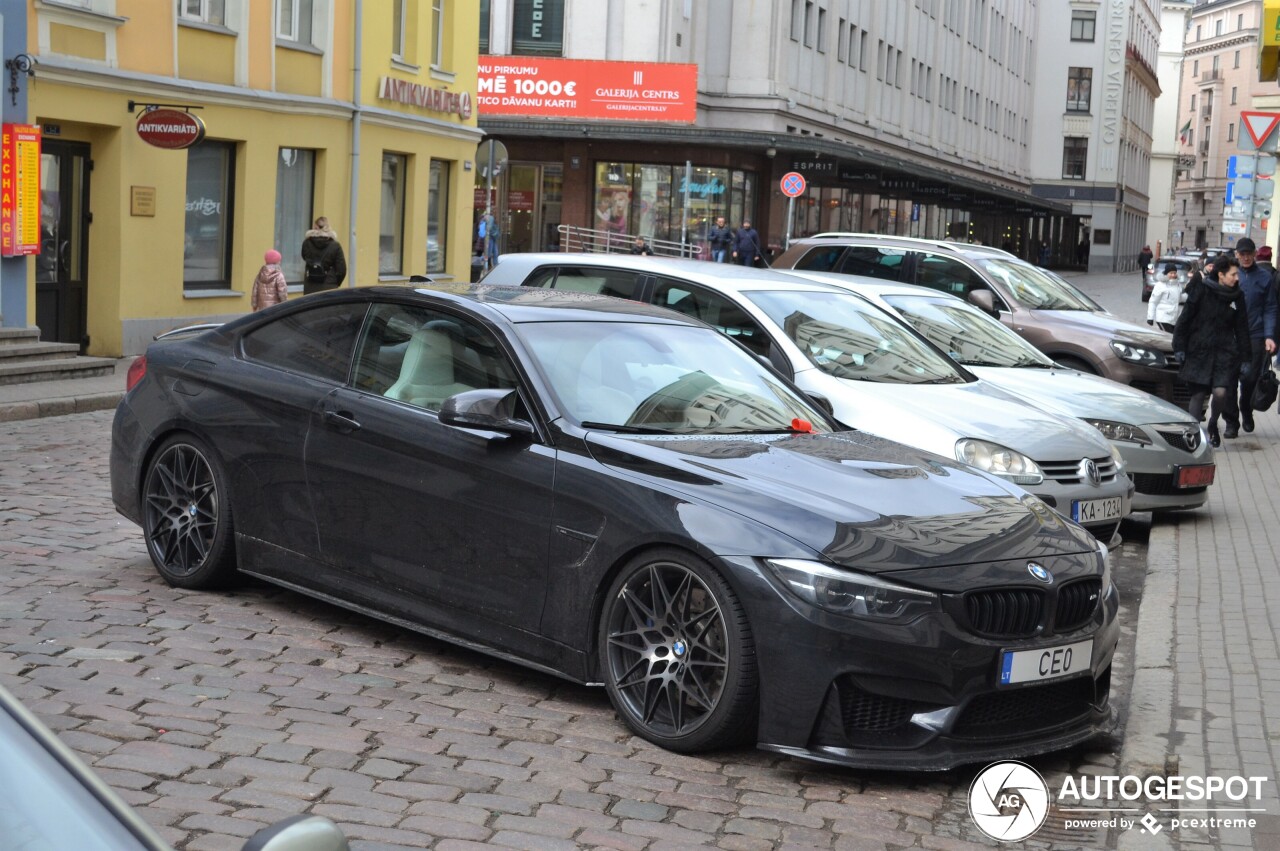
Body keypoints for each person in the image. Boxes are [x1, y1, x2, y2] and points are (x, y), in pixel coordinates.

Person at [1173, 254, 1251, 448]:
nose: (1237, 278)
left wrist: (1246, 358)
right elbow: (1185, 319)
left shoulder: (1237, 296)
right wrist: (1179, 346)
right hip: (1199, 349)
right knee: (1198, 394)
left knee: (1221, 392)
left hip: (1225, 353)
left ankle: (1213, 423)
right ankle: (1193, 435)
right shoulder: (1202, 289)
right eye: (1233, 274)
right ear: (1221, 275)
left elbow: (1242, 328)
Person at [1226, 237, 1278, 434]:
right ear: (1237, 254)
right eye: (1242, 254)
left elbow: (1270, 308)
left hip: (1255, 336)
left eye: (1249, 254)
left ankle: (1246, 409)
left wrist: (1269, 335)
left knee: (1249, 378)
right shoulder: (1230, 274)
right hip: (1230, 336)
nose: (1246, 257)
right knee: (1228, 381)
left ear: (1255, 254)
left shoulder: (1264, 277)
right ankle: (1231, 422)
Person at [301, 216, 347, 295]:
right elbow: (341, 270)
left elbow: (304, 257)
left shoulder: (307, 243)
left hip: (310, 285)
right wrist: (335, 282)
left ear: (314, 227)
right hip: (329, 286)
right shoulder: (335, 245)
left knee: (311, 307)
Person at [1146, 262, 1185, 333]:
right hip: (1163, 318)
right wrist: (1150, 317)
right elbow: (1153, 302)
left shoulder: (1177, 285)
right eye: (1171, 273)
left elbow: (1180, 299)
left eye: (1174, 273)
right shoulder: (1160, 285)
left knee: (1171, 340)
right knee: (1168, 338)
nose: (1173, 275)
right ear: (1166, 273)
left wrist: (1190, 294)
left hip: (1174, 319)